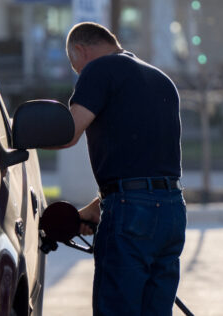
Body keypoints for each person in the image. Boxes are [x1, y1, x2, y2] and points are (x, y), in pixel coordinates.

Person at [58, 22, 186, 316]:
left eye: (76, 67)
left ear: (80, 50)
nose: (79, 74)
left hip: (130, 215)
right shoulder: (160, 79)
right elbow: (146, 163)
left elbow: (67, 133)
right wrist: (98, 205)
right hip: (172, 211)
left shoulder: (99, 69)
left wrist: (15, 136)